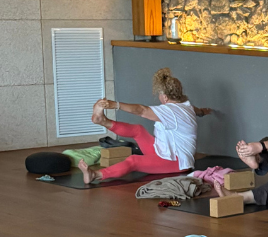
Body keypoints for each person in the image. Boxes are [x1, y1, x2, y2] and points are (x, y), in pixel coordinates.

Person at [78, 68, 211, 185]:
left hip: (177, 162)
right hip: (165, 152)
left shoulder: (170, 111)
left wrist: (115, 105)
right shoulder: (186, 107)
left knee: (133, 161)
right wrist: (203, 112)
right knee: (138, 131)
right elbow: (197, 111)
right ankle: (103, 121)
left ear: (164, 97)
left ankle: (95, 175)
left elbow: (141, 110)